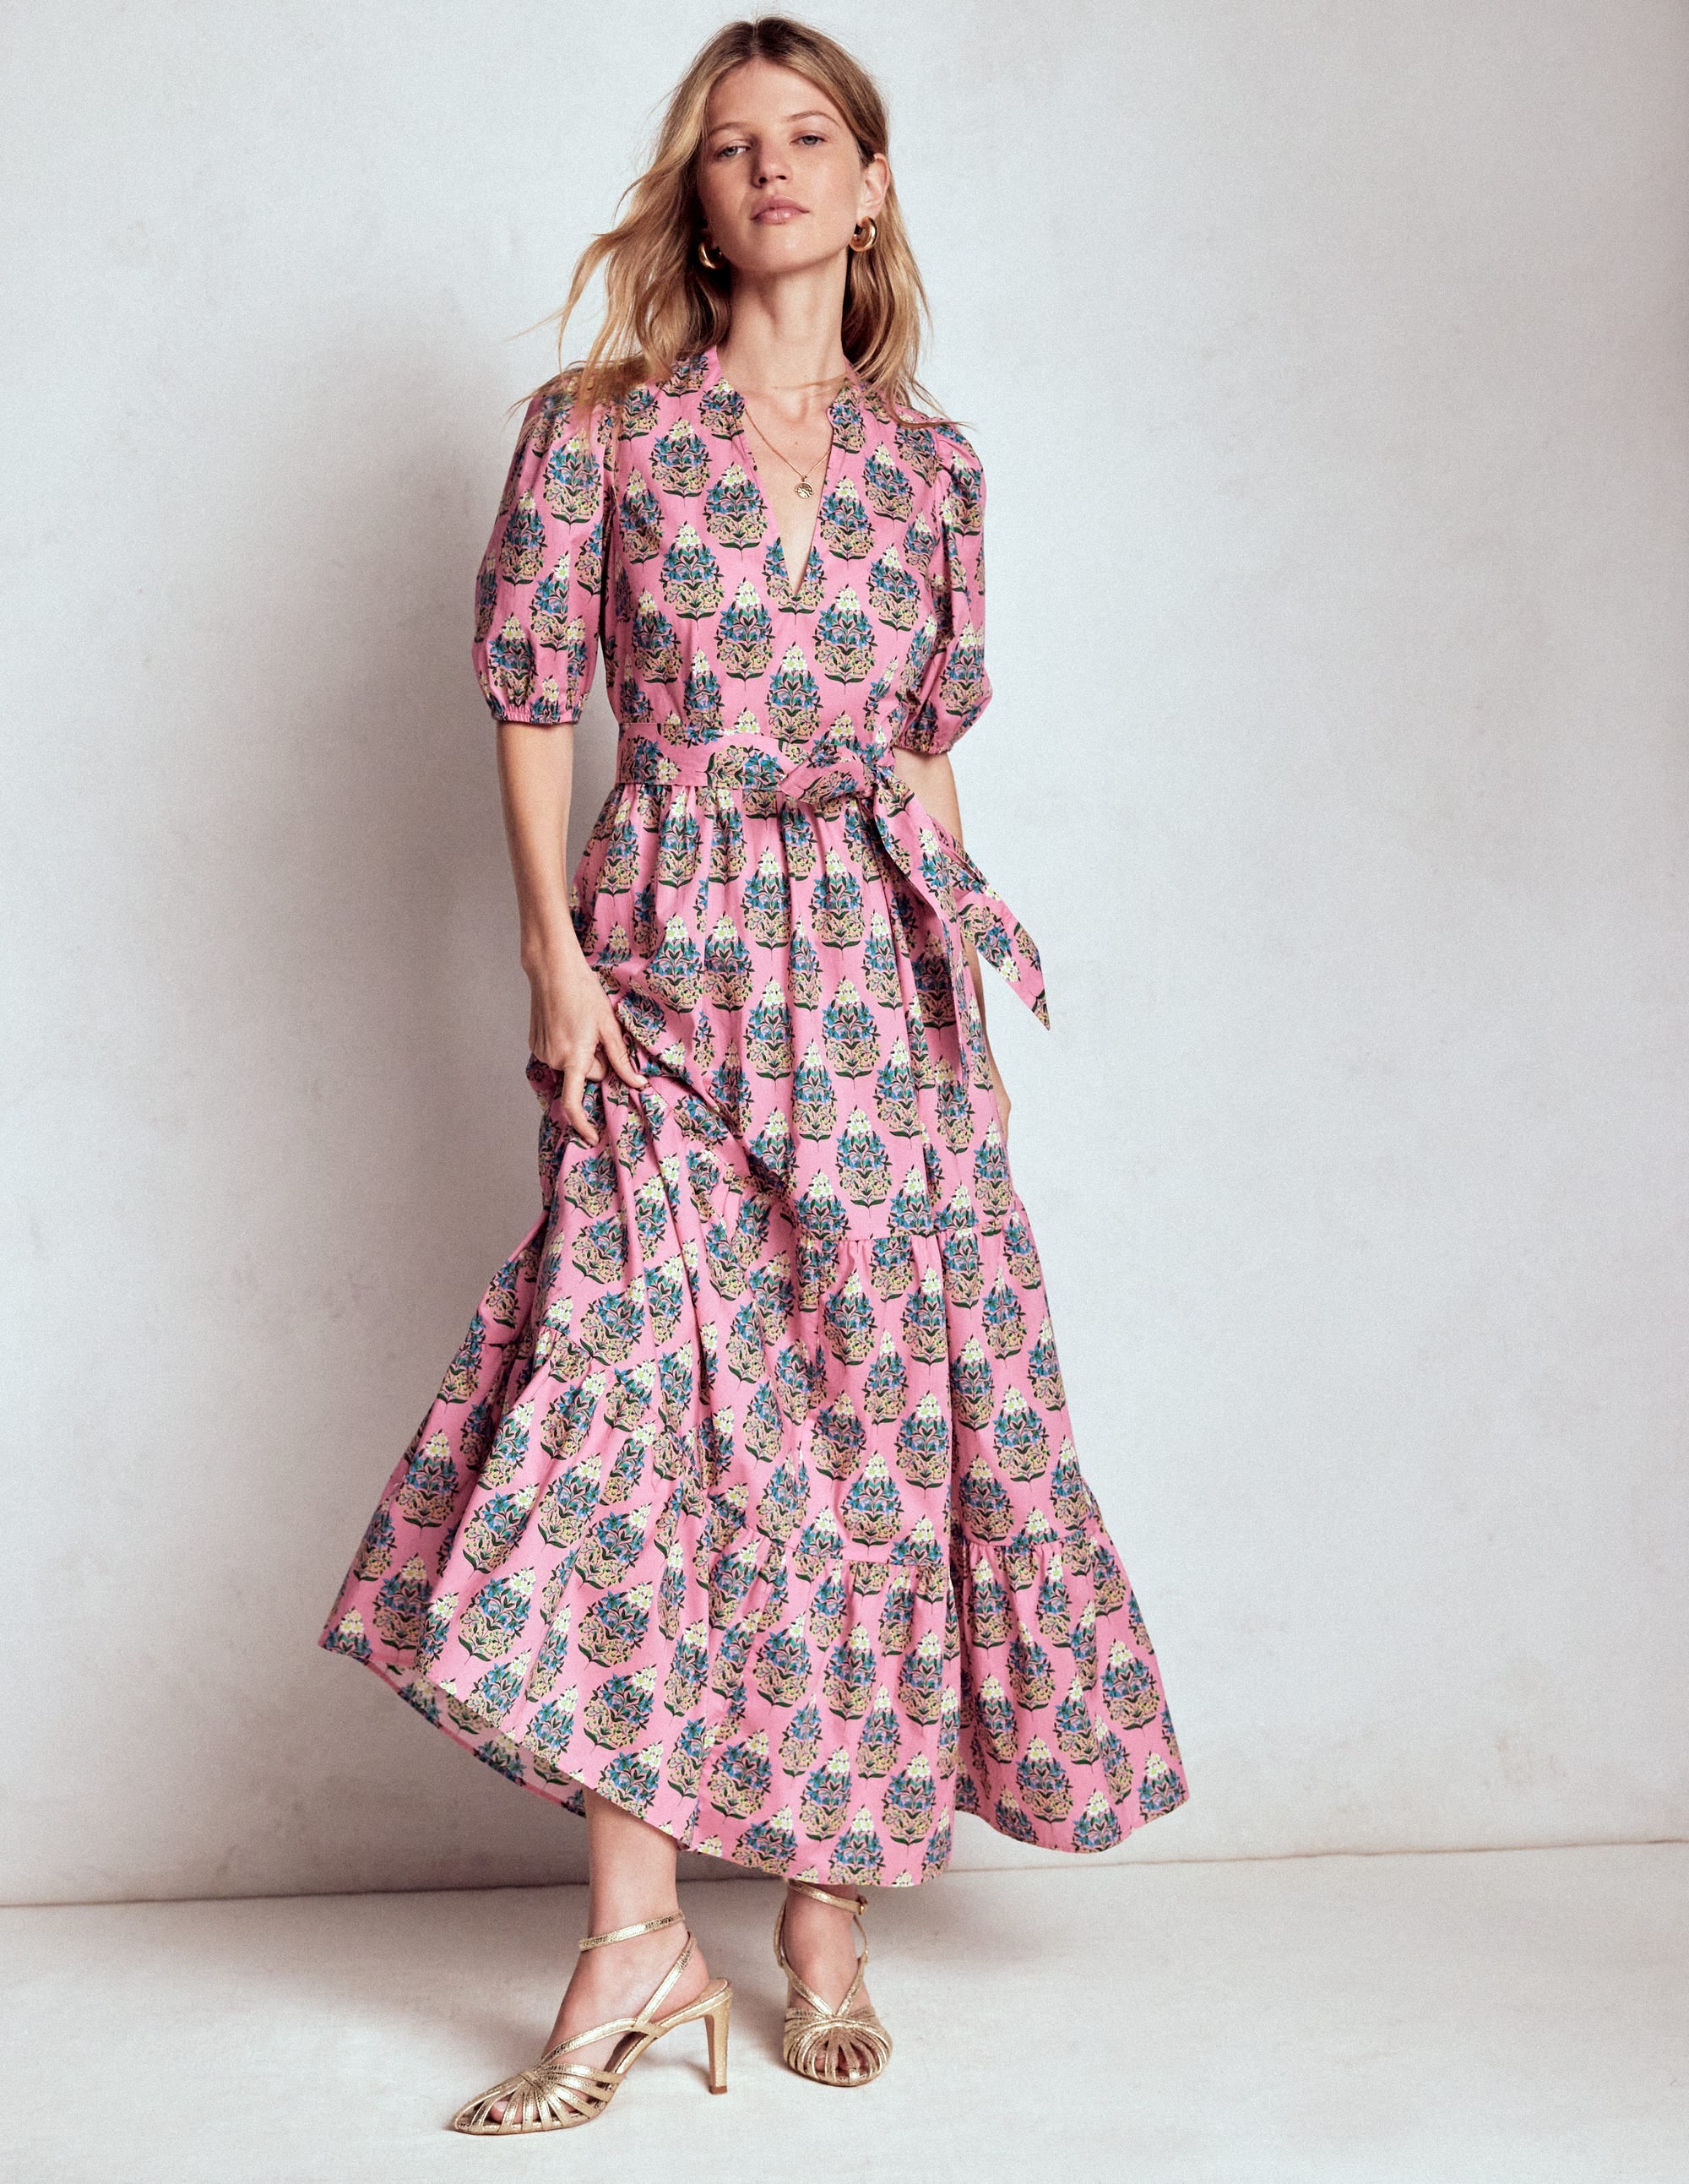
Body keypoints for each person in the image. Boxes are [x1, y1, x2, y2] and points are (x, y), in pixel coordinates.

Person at [319, 14, 1187, 2134]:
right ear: (693, 200)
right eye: (730, 147)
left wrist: (960, 1047)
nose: (771, 170)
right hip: (669, 960)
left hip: (878, 985)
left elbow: (926, 759)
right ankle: (633, 1942)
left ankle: (820, 1920)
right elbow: (534, 694)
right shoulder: (599, 431)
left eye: (808, 139)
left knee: (869, 1436)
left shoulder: (933, 469)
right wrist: (551, 961)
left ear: (870, 187)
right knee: (634, 1413)